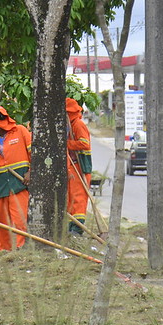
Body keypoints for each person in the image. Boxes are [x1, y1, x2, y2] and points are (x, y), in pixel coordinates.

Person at [0, 106, 32, 251]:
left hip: (18, 183)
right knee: (2, 221)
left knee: (20, 219)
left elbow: (33, 152)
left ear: (6, 118)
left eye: (0, 117)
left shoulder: (20, 131)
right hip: (0, 184)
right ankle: (4, 251)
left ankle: (21, 247)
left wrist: (31, 171)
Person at [65, 98, 92, 235]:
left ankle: (77, 228)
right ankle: (71, 226)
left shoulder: (78, 125)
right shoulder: (70, 125)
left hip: (80, 167)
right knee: (70, 197)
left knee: (79, 197)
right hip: (72, 166)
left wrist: (67, 144)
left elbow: (84, 144)